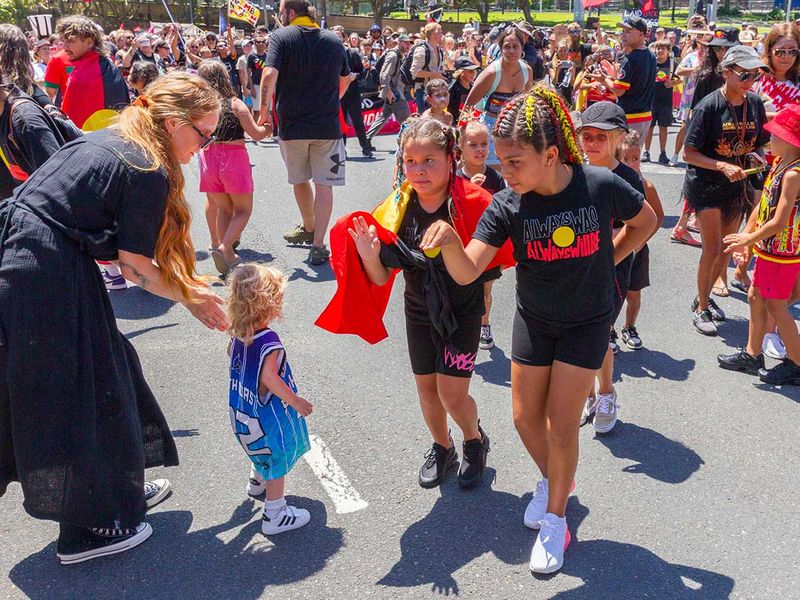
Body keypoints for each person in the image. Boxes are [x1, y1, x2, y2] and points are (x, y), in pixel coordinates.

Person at [418, 86, 654, 574]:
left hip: (587, 321)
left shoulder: (598, 184)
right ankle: (555, 481)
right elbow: (467, 272)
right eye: (501, 161)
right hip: (534, 318)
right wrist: (448, 245)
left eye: (515, 161)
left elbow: (647, 221)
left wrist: (613, 253)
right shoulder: (507, 205)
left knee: (561, 423)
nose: (506, 171)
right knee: (526, 419)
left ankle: (556, 518)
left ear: (550, 155)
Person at [0, 72, 226, 565]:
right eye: (203, 134)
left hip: (42, 256)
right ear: (172, 123)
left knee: (114, 366)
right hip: (43, 268)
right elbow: (134, 268)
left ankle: (116, 489)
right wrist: (192, 299)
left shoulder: (119, 137)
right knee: (74, 392)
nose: (203, 147)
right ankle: (89, 530)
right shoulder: (147, 167)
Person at [319, 118, 513, 491]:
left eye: (429, 161)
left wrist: (455, 245)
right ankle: (443, 447)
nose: (419, 171)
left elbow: (480, 270)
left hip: (462, 311)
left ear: (450, 158)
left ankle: (474, 440)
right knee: (426, 389)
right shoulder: (396, 207)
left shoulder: (474, 203)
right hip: (419, 310)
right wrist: (369, 253)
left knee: (452, 394)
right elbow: (378, 278)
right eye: (411, 161)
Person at [683, 45, 771, 336]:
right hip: (707, 186)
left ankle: (703, 297)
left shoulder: (755, 103)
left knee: (726, 247)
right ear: (726, 73)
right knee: (711, 248)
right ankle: (701, 308)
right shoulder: (709, 105)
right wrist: (721, 165)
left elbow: (760, 141)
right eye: (744, 74)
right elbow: (689, 153)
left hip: (737, 186)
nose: (750, 81)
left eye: (754, 75)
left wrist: (757, 154)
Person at [259, 0, 351, 266]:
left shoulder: (281, 36)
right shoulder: (334, 40)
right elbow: (344, 79)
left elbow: (268, 76)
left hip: (292, 125)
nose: (279, 18)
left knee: (299, 179)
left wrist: (261, 115)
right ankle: (318, 243)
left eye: (280, 13)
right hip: (327, 126)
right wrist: (333, 100)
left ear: (290, 13)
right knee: (325, 185)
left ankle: (309, 226)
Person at [226, 264, 314, 534]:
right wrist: (296, 401)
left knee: (260, 450)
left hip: (242, 411)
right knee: (277, 458)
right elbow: (270, 378)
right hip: (267, 417)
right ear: (269, 304)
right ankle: (275, 513)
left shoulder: (237, 336)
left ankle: (256, 481)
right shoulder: (269, 343)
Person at [577, 101, 646, 433]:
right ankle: (586, 395)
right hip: (575, 268)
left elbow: (638, 229)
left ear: (619, 138)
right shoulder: (574, 171)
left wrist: (608, 260)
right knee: (577, 334)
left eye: (600, 137)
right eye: (586, 135)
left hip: (610, 270)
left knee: (598, 333)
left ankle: (606, 392)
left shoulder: (628, 178)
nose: (591, 143)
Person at [718, 104, 800, 385]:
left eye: (776, 135)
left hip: (783, 253)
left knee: (776, 307)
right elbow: (763, 202)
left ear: (790, 140)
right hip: (768, 248)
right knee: (754, 295)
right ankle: (753, 354)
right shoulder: (780, 164)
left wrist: (747, 239)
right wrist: (749, 235)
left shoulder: (794, 174)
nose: (770, 139)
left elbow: (779, 221)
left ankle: (797, 363)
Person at [197, 61, 272, 276]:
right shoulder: (235, 104)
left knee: (224, 209)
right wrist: (267, 128)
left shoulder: (201, 107)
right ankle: (224, 247)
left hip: (209, 159)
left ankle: (227, 254)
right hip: (233, 158)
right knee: (243, 210)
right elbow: (256, 134)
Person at [456, 120, 507, 350]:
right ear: (461, 148)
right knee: (463, 289)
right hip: (463, 243)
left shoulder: (496, 178)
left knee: (486, 288)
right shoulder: (455, 177)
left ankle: (484, 324)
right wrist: (470, 191)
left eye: (484, 144)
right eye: (473, 144)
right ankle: (462, 327)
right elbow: (451, 209)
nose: (480, 150)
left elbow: (505, 208)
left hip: (489, 245)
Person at [618, 129, 665, 350]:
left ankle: (629, 326)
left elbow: (658, 216)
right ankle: (607, 330)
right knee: (610, 292)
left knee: (633, 294)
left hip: (637, 249)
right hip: (615, 248)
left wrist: (643, 239)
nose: (630, 163)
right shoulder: (610, 184)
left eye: (635, 158)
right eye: (624, 158)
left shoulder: (646, 186)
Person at [463, 27, 533, 166]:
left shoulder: (527, 71)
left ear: (521, 48)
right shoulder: (492, 72)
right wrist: (465, 136)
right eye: (507, 47)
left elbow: (528, 103)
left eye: (515, 46)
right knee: (494, 173)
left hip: (515, 129)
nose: (512, 51)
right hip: (491, 128)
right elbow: (468, 106)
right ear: (501, 49)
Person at [45, 16, 129, 131]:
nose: (65, 46)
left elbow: (71, 125)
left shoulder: (81, 76)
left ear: (89, 42)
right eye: (63, 41)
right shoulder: (109, 66)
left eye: (70, 41)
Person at [602, 16, 657, 145]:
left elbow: (619, 91)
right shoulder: (651, 55)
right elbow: (635, 84)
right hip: (645, 116)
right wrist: (613, 76)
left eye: (628, 31)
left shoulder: (630, 58)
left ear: (641, 34)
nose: (623, 35)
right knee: (633, 158)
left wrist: (604, 79)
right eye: (623, 31)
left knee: (623, 158)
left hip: (630, 117)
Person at [365, 34, 412, 144]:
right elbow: (384, 75)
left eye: (409, 43)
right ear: (399, 42)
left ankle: (366, 139)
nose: (408, 45)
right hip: (394, 93)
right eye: (405, 43)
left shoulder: (399, 55)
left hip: (393, 91)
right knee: (407, 121)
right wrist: (389, 91)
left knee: (383, 117)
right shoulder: (393, 56)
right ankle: (410, 144)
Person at [754, 23, 800, 120]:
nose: (787, 56)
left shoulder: (798, 81)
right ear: (769, 51)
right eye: (780, 51)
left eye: (793, 52)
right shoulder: (753, 79)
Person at [644, 40, 679, 164]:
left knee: (663, 127)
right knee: (650, 127)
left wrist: (673, 82)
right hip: (651, 99)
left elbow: (681, 77)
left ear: (668, 51)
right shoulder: (651, 61)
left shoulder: (673, 63)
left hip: (665, 100)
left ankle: (663, 153)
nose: (659, 51)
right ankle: (646, 151)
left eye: (663, 49)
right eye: (658, 48)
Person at [410, 23, 445, 114]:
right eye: (439, 32)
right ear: (433, 34)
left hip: (436, 90)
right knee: (425, 120)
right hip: (423, 90)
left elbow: (439, 67)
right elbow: (414, 71)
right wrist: (433, 74)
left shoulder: (439, 50)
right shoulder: (421, 50)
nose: (442, 34)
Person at [448, 56, 479, 122]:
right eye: (470, 71)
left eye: (474, 71)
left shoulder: (474, 87)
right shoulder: (452, 89)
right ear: (461, 72)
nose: (473, 74)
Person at [248, 37, 269, 123]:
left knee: (268, 111)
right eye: (258, 42)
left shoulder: (269, 56)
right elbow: (248, 74)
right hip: (256, 85)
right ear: (255, 43)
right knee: (257, 111)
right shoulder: (251, 56)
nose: (260, 43)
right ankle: (256, 132)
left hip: (267, 85)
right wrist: (252, 88)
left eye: (263, 41)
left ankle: (268, 133)